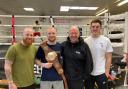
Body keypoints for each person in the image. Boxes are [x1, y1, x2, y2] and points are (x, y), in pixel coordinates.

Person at [84, 19, 113, 89]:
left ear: (100, 28)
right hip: (89, 73)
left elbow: (109, 57)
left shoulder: (106, 40)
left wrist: (106, 72)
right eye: (93, 27)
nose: (95, 29)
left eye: (97, 27)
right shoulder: (85, 41)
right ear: (90, 28)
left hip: (102, 73)